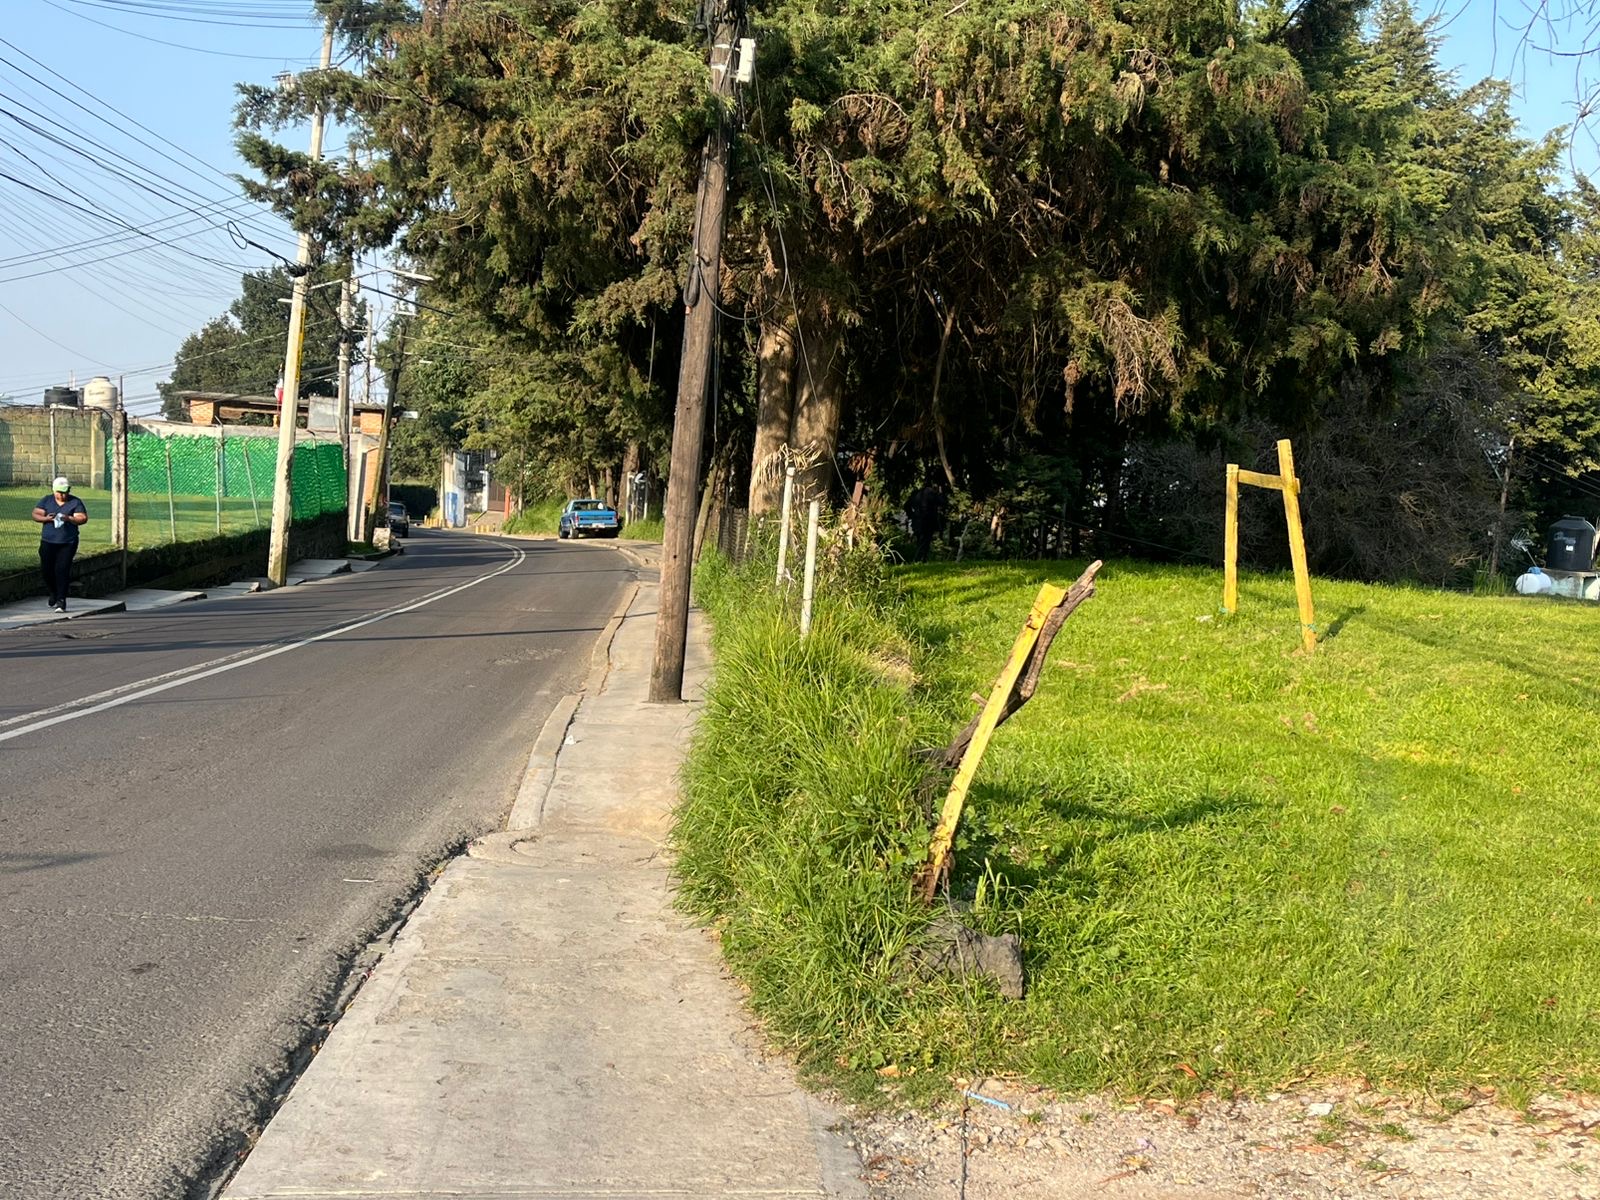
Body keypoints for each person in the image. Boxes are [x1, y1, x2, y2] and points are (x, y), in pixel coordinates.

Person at [33, 476, 88, 613]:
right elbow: (36, 514)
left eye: (65, 491)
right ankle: (53, 592)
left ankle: (61, 600)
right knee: (46, 570)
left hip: (67, 542)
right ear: (54, 491)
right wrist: (46, 519)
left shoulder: (75, 502)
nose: (63, 495)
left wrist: (69, 518)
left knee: (62, 569)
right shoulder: (46, 500)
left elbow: (82, 517)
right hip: (48, 541)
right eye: (60, 492)